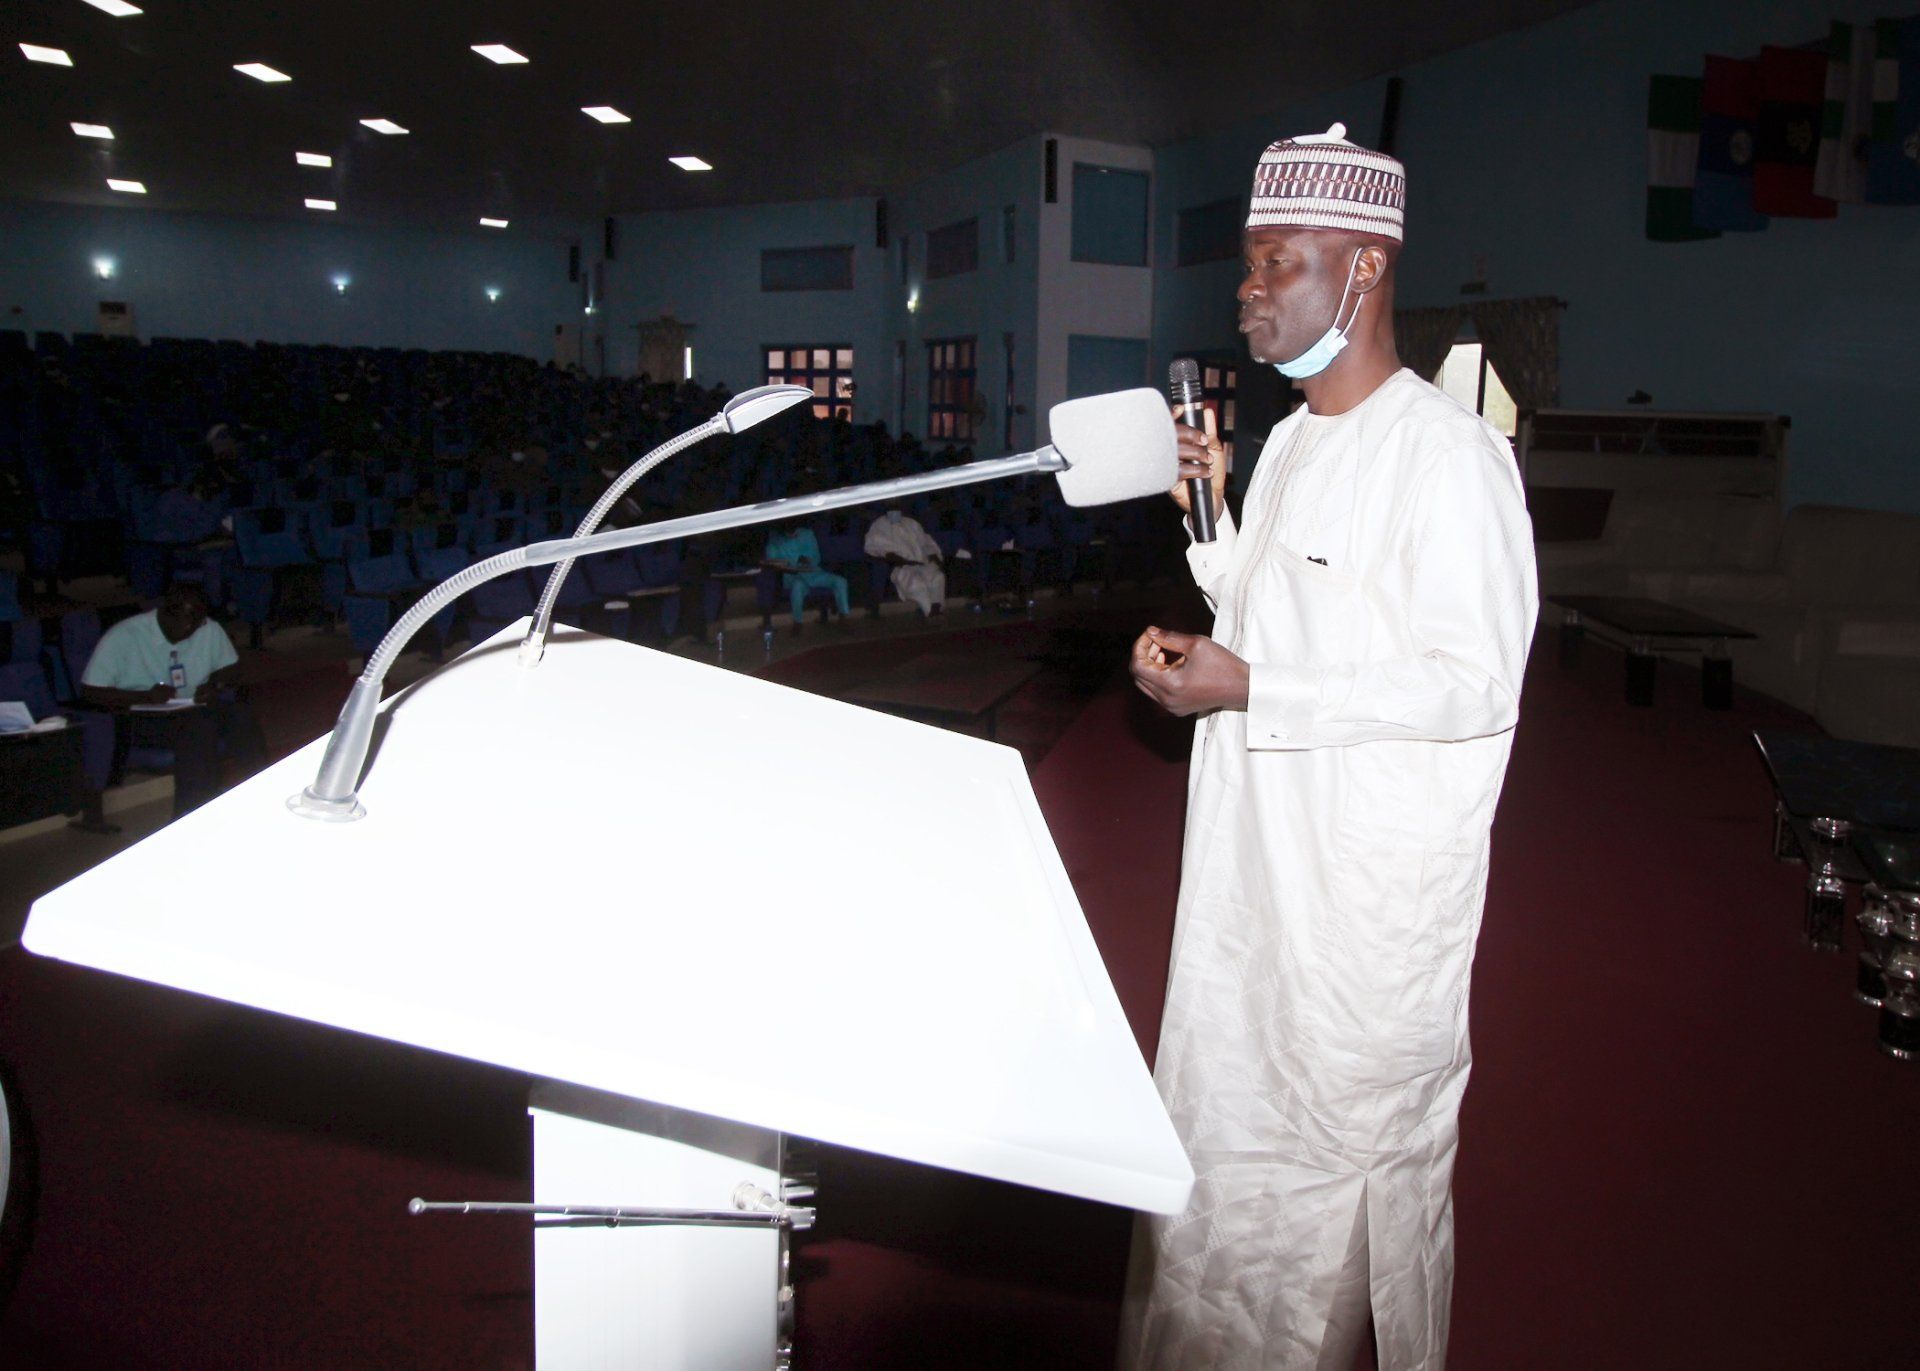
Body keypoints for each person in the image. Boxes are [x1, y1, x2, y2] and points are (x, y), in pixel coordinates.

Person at [1119, 124, 1538, 1370]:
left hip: (1358, 909)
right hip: (1252, 871)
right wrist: (1209, 527)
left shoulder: (1450, 458)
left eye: (1277, 261)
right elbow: (1271, 609)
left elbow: (1474, 680)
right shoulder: (1299, 437)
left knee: (1335, 1177)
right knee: (1224, 1140)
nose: (1248, 290)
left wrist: (1253, 685)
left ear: (1364, 268)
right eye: (1249, 263)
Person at [80, 584, 268, 818]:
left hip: (194, 708)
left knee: (240, 715)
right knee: (199, 726)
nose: (191, 629)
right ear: (165, 613)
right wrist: (144, 696)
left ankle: (263, 796)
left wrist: (215, 684)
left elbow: (232, 669)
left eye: (197, 622)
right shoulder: (124, 635)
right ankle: (191, 814)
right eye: (186, 621)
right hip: (139, 718)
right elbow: (90, 692)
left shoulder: (208, 629)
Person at [763, 523, 849, 630]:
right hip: (794, 576)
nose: (791, 533)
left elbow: (816, 557)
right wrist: (792, 561)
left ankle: (843, 616)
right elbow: (772, 559)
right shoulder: (776, 540)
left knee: (840, 581)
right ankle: (797, 622)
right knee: (797, 587)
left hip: (814, 573)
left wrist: (806, 560)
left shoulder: (807, 534)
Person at [864, 508, 946, 617]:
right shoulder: (880, 525)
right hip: (902, 567)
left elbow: (926, 542)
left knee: (938, 578)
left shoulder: (912, 523)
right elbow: (875, 547)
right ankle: (931, 612)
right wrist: (902, 561)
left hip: (921, 562)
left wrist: (933, 555)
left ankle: (937, 608)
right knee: (917, 584)